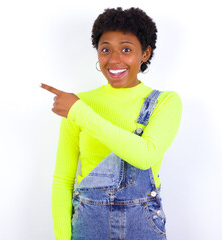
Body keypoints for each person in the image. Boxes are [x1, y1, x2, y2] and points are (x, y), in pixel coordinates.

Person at [41, 7, 182, 240]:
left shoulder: (165, 102)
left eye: (126, 49)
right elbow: (62, 182)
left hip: (143, 228)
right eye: (106, 49)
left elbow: (145, 155)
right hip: (88, 228)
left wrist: (80, 113)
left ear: (145, 53)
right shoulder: (80, 103)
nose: (114, 59)